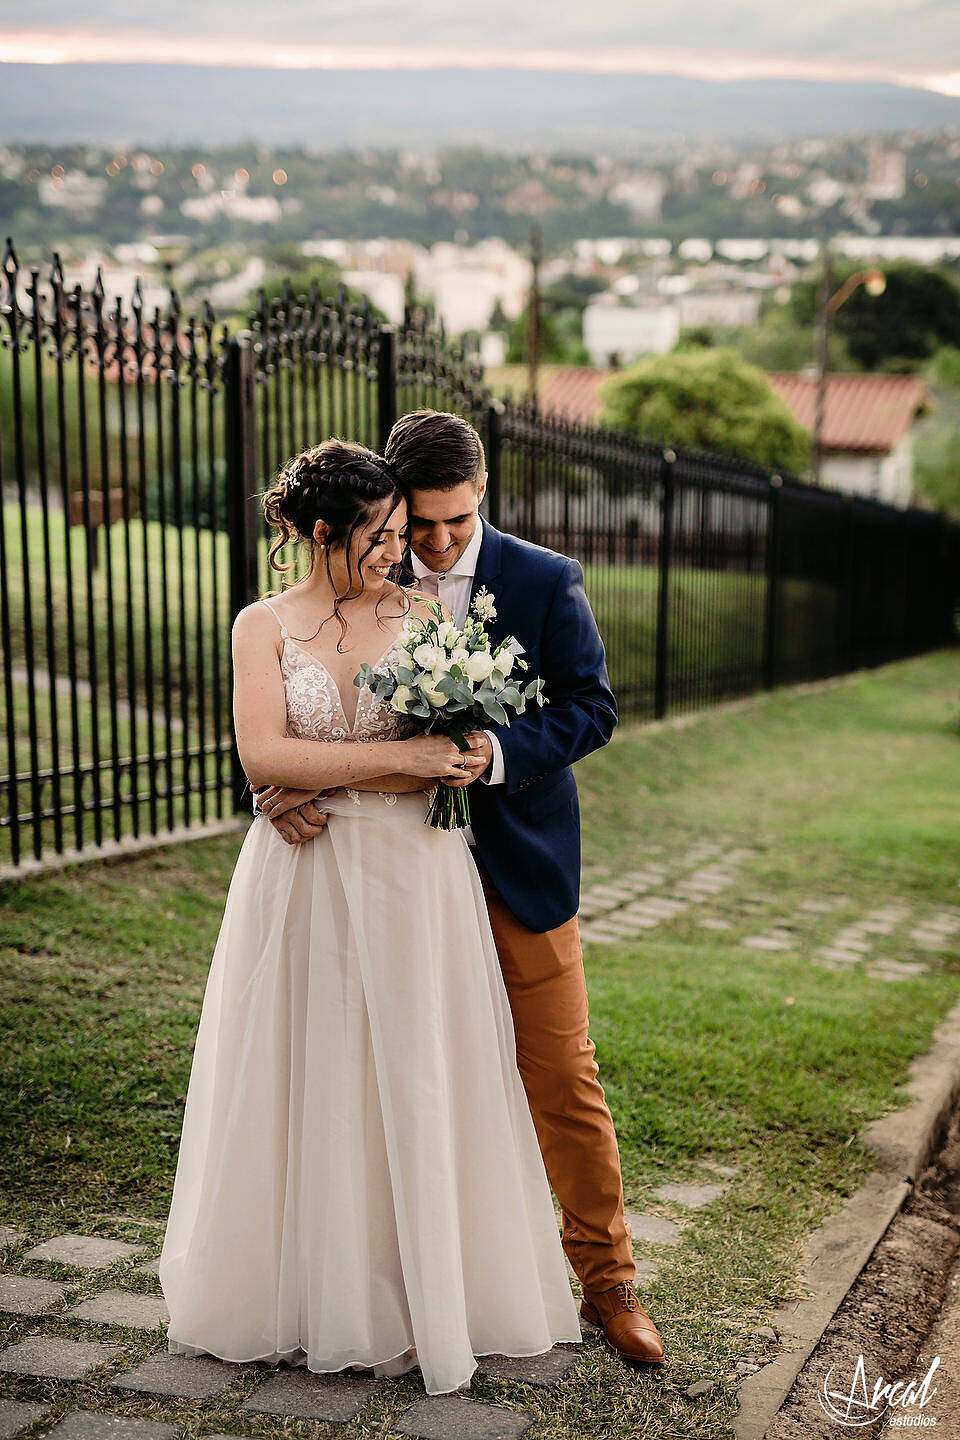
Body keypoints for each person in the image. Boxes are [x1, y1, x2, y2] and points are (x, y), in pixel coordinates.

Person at [158, 439, 583, 1397]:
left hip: (416, 875)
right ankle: (306, 1287)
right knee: (310, 1062)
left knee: (420, 1064)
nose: (404, 551)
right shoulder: (260, 625)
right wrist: (372, 772)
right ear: (322, 534)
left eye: (406, 532)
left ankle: (425, 1284)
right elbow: (265, 752)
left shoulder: (430, 613)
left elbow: (458, 740)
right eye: (383, 535)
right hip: (301, 874)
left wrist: (431, 762)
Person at [253, 410, 666, 1367]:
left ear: (484, 495)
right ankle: (413, 1286)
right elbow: (306, 698)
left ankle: (610, 1285)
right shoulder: (362, 562)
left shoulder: (543, 578)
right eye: (417, 525)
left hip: (516, 866)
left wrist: (497, 754)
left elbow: (593, 708)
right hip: (389, 878)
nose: (432, 546)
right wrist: (279, 783)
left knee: (561, 1075)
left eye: (455, 523)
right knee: (391, 1077)